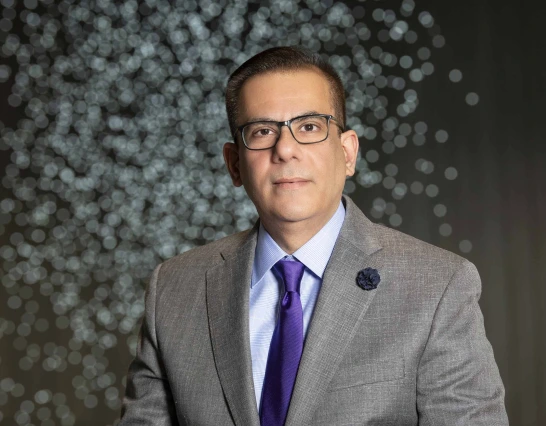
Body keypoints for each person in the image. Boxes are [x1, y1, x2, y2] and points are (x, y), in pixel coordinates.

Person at [119, 46, 508, 425]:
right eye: (262, 130)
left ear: (348, 152)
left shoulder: (437, 285)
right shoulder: (174, 289)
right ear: (234, 164)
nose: (285, 149)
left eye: (309, 127)